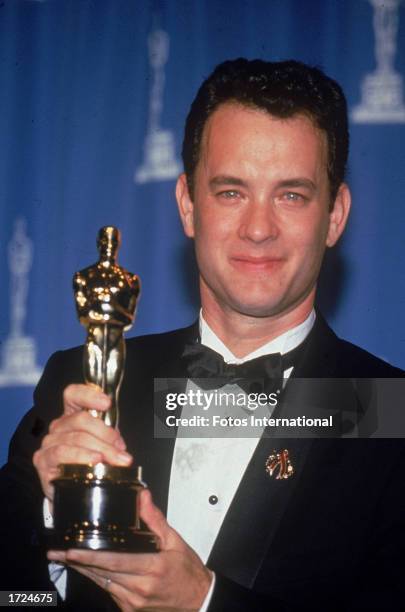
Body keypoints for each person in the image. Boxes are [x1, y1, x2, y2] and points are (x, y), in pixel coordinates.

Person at [1, 58, 404, 611]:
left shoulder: (390, 411)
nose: (258, 229)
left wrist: (202, 600)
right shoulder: (80, 386)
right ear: (188, 204)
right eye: (231, 192)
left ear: (335, 215)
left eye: (291, 195)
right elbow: (13, 598)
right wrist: (58, 523)